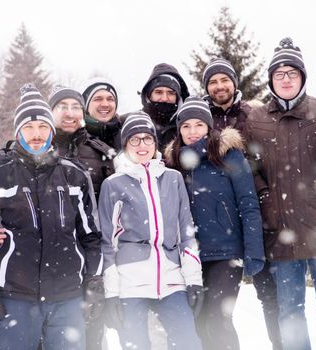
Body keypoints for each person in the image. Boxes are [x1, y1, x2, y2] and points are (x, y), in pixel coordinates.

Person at [0, 83, 104, 350]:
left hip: (67, 298)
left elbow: (91, 236)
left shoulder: (74, 175)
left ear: (51, 130)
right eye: (28, 127)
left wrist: (94, 280)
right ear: (17, 131)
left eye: (43, 127)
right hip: (15, 298)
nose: (36, 135)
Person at [243, 37, 316, 350]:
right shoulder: (257, 118)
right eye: (279, 74)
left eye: (292, 73)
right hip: (282, 230)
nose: (285, 79)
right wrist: (265, 200)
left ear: (302, 77)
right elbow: (250, 167)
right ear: (271, 80)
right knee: (289, 311)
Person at [165, 96, 265, 350]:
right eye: (186, 126)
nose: (192, 131)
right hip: (189, 257)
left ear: (209, 127)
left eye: (199, 124)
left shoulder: (228, 156)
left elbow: (248, 203)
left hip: (226, 253)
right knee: (197, 322)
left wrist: (254, 250)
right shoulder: (173, 164)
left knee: (217, 319)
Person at [99, 112, 203, 350]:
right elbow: (107, 243)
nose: (142, 145)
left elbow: (185, 233)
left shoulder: (173, 179)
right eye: (134, 139)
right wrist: (111, 293)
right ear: (125, 145)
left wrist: (193, 281)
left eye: (147, 138)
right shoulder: (113, 184)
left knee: (188, 343)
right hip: (130, 283)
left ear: (156, 143)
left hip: (171, 279)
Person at [202, 58, 281, 350]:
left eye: (224, 79)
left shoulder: (254, 115)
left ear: (234, 83)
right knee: (214, 309)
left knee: (269, 293)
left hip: (258, 212)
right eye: (213, 81)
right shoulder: (200, 119)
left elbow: (267, 160)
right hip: (220, 225)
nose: (219, 86)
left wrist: (262, 192)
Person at [140, 63, 190, 151]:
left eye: (171, 93)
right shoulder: (132, 122)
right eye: (158, 92)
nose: (164, 98)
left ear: (178, 98)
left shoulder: (189, 125)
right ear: (149, 95)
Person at [81, 78, 122, 149]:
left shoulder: (127, 137)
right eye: (98, 99)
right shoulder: (74, 139)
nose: (105, 104)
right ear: (85, 106)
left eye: (110, 99)